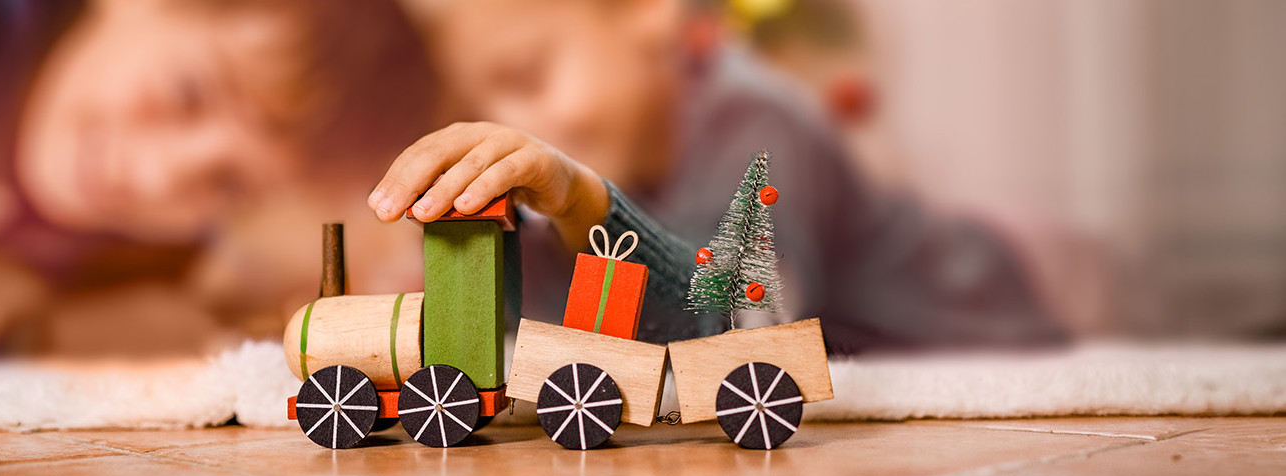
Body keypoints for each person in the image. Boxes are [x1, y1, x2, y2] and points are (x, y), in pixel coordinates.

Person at [0, 0, 437, 378]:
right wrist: (21, 339)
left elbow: (156, 268)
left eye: (226, 184)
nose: (158, 178)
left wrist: (4, 279)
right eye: (187, 94)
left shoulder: (99, 208)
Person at [396, 0, 1068, 351]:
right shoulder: (631, 154)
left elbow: (729, 314)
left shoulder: (760, 121)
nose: (514, 121)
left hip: (971, 325)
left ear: (645, 7)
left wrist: (579, 193)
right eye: (483, 101)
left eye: (526, 76)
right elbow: (556, 329)